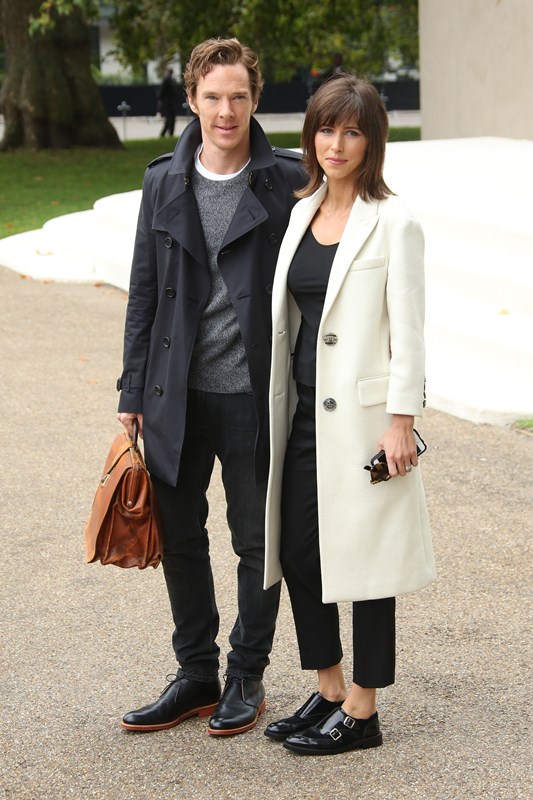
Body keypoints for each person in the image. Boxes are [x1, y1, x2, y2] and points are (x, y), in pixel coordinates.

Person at [116, 38, 305, 736]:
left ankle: (246, 675)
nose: (226, 111)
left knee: (257, 540)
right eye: (213, 97)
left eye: (238, 97)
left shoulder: (290, 181)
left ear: (255, 99)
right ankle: (195, 674)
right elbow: (144, 291)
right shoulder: (162, 181)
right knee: (180, 534)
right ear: (192, 98)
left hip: (255, 393)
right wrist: (132, 390)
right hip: (174, 392)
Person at [262, 73, 436, 755]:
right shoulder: (301, 213)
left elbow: (409, 332)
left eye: (352, 131)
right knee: (297, 550)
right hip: (302, 414)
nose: (335, 144)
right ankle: (329, 688)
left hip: (364, 422)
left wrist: (401, 420)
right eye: (326, 129)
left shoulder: (393, 222)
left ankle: (363, 711)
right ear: (311, 136)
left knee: (368, 561)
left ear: (372, 142)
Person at [158, 66, 180, 137]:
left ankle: (169, 133)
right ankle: (165, 133)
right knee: (169, 119)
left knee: (171, 118)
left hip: (171, 102)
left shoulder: (172, 80)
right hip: (167, 103)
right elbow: (162, 92)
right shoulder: (167, 80)